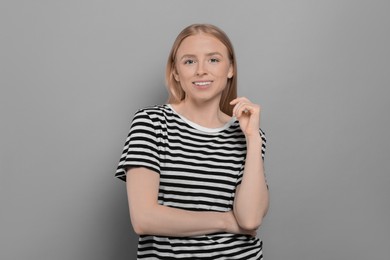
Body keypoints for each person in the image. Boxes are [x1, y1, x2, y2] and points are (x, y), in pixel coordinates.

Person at [115, 23, 269, 259]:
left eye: (213, 60)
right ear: (176, 72)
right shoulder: (151, 122)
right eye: (189, 61)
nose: (201, 71)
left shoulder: (248, 134)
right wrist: (225, 220)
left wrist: (253, 139)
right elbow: (144, 219)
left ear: (230, 68)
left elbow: (250, 219)